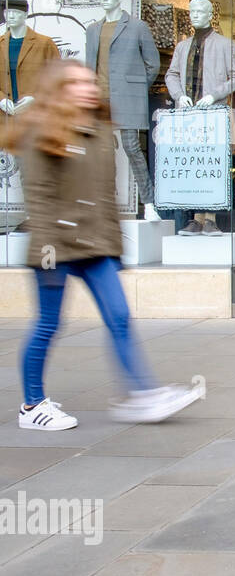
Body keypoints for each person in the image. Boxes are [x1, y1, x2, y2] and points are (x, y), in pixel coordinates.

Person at [10, 60, 201, 430]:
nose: (88, 88)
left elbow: (104, 197)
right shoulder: (40, 132)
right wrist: (47, 255)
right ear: (59, 90)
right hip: (56, 249)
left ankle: (143, 394)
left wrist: (115, 248)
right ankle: (32, 405)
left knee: (120, 317)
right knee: (49, 324)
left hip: (96, 247)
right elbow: (40, 199)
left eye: (89, 82)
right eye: (76, 83)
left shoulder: (98, 132)